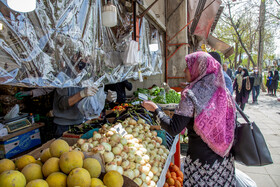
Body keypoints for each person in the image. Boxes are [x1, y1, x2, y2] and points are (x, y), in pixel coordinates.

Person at [142, 51, 236, 186]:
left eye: (188, 66)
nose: (185, 70)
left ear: (198, 69)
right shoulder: (224, 92)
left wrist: (155, 110)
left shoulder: (191, 94)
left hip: (201, 165)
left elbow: (174, 128)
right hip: (224, 162)